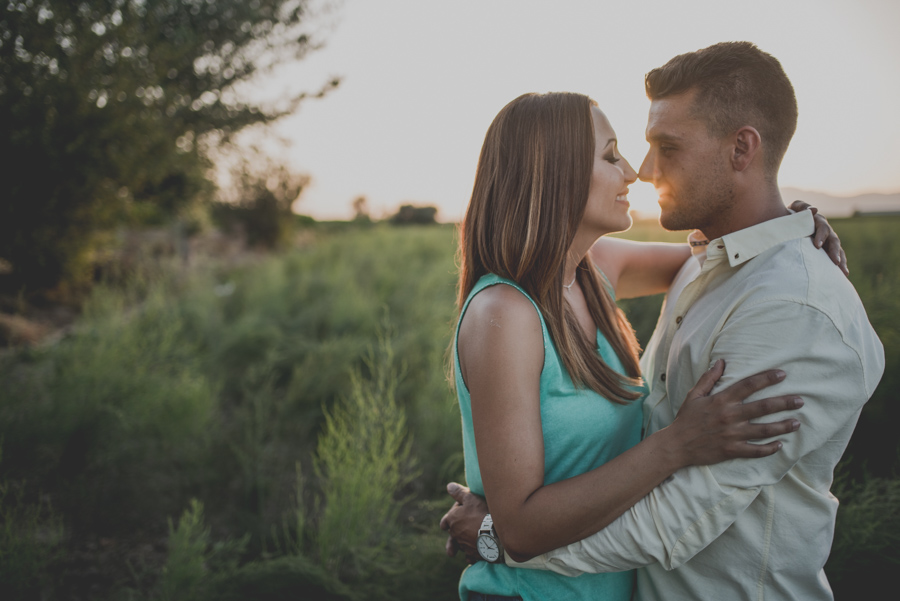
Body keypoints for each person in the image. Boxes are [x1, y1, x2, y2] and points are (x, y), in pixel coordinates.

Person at [442, 42, 884, 601]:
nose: (639, 171)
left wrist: (800, 223)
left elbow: (734, 252)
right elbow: (733, 252)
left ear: (742, 148)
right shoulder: (511, 311)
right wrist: (675, 444)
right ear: (552, 175)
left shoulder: (602, 270)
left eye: (663, 148)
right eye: (613, 155)